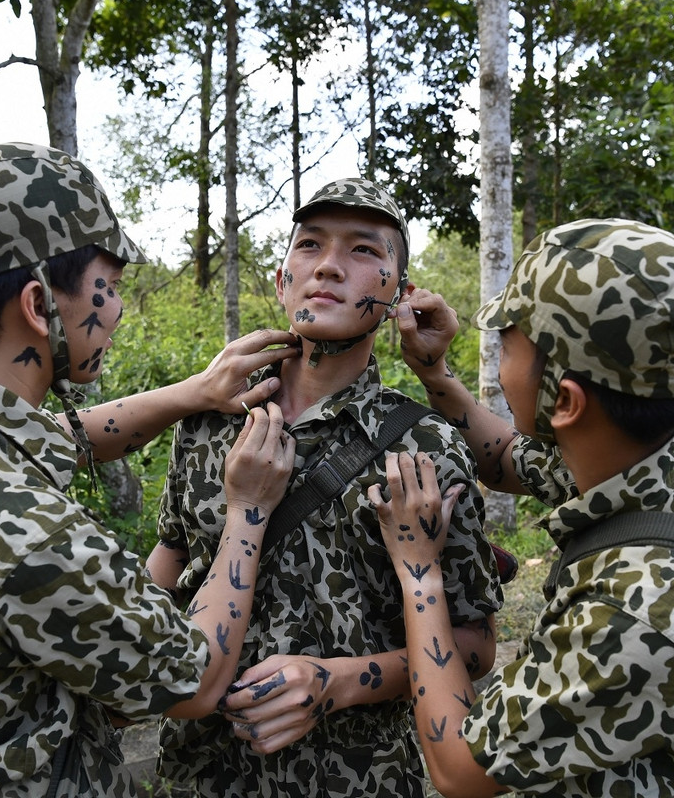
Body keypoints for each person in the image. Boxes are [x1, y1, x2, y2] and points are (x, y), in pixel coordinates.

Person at [0, 142, 298, 797]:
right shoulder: (22, 529)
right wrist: (247, 511)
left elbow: (48, 438)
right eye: (107, 287)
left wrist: (194, 393)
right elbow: (196, 682)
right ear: (38, 305)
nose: (117, 310)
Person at [374, 218, 674, 796]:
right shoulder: (664, 452)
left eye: (506, 346)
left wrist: (420, 572)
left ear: (564, 401)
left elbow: (459, 767)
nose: (499, 360)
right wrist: (434, 372)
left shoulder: (638, 615)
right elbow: (506, 457)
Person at [148, 178, 505, 797]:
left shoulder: (427, 445)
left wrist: (341, 681)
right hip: (202, 776)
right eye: (310, 245)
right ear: (282, 280)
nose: (330, 266)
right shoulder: (208, 422)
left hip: (361, 779)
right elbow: (171, 560)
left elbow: (474, 645)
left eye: (363, 250)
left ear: (398, 295)